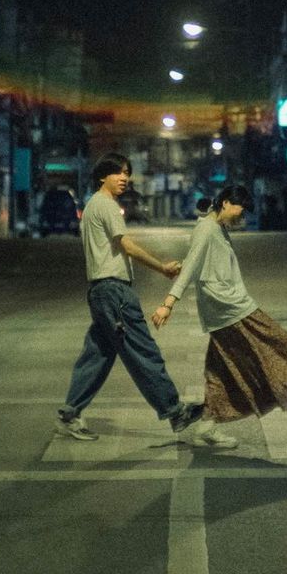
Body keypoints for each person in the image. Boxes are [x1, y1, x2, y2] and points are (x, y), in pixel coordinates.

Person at [152, 184, 287, 449]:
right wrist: (168, 303)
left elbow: (200, 263)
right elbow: (193, 265)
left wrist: (188, 268)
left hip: (222, 312)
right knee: (279, 342)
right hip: (231, 309)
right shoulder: (207, 230)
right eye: (241, 210)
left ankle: (207, 426)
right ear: (227, 203)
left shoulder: (213, 226)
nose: (242, 217)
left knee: (220, 372)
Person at [56, 151, 208, 442]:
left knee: (97, 355)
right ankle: (174, 410)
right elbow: (125, 244)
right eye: (118, 173)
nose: (125, 178)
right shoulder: (107, 205)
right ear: (103, 176)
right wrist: (162, 267)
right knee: (143, 351)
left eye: (127, 173)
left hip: (100, 292)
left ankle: (70, 412)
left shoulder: (91, 206)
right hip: (114, 292)